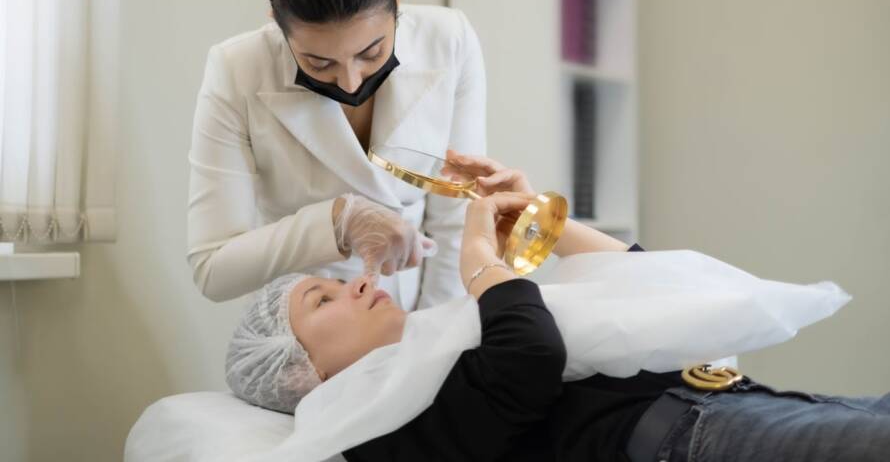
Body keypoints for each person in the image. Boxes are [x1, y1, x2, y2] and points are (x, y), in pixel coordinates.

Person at [225, 153, 890, 462]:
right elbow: (532, 358)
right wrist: (481, 259)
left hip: (733, 404)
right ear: (299, 373)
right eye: (323, 297)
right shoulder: (379, 430)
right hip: (686, 441)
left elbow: (648, 290)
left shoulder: (431, 355)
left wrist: (538, 218)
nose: (356, 284)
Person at [187, 0, 486, 306]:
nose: (349, 80)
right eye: (319, 61)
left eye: (371, 52)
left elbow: (458, 219)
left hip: (426, 302)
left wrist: (432, 339)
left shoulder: (449, 39)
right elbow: (213, 268)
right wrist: (337, 223)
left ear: (397, 0)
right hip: (312, 326)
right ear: (279, 26)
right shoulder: (237, 69)